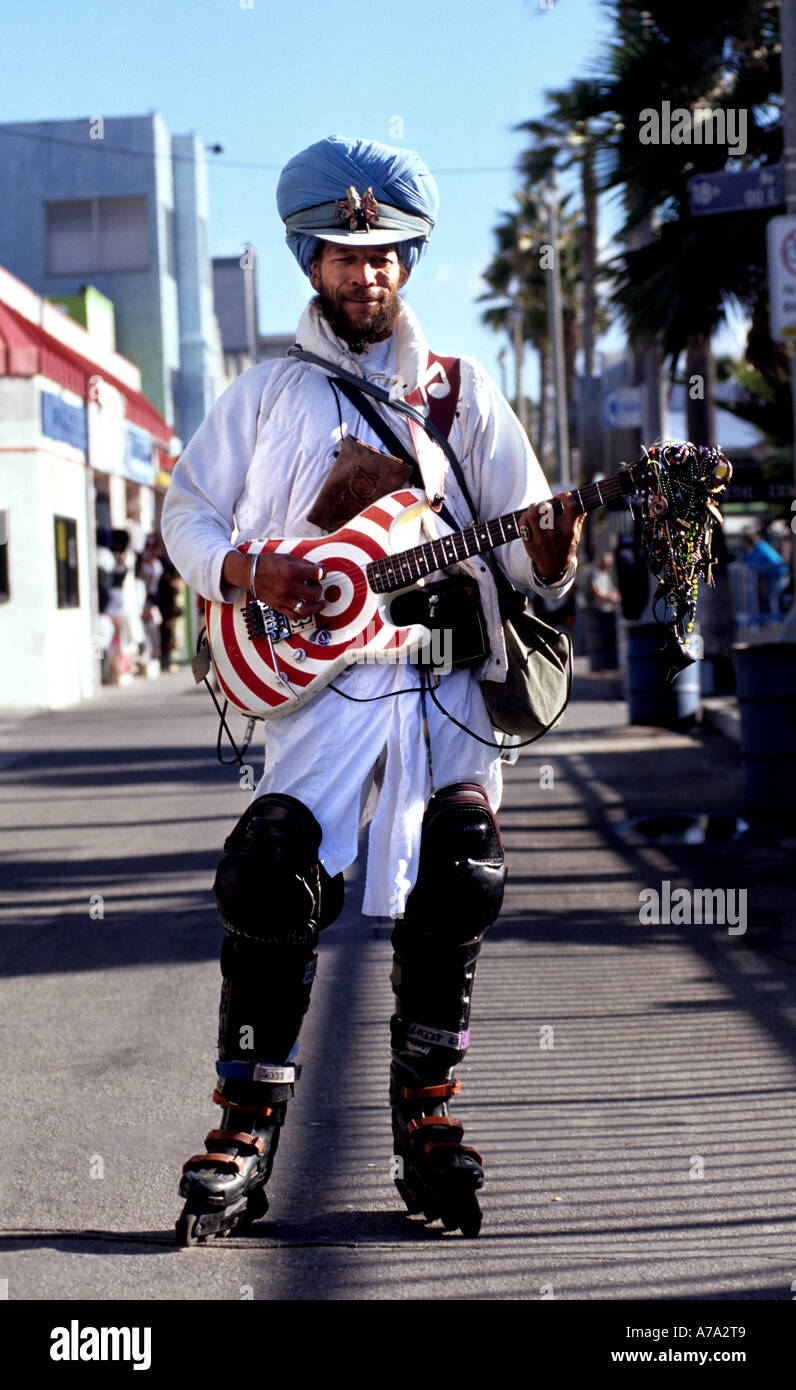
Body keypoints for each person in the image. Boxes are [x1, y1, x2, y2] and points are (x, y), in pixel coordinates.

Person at [161, 134, 583, 1242]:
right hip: (325, 688)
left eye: (386, 251)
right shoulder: (264, 394)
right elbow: (186, 513)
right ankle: (242, 1129)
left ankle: (428, 1120)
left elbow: (527, 553)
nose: (367, 271)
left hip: (443, 687)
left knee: (462, 871)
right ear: (309, 259)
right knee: (268, 874)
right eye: (345, 253)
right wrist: (248, 566)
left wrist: (551, 550)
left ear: (409, 259)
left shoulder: (464, 393)